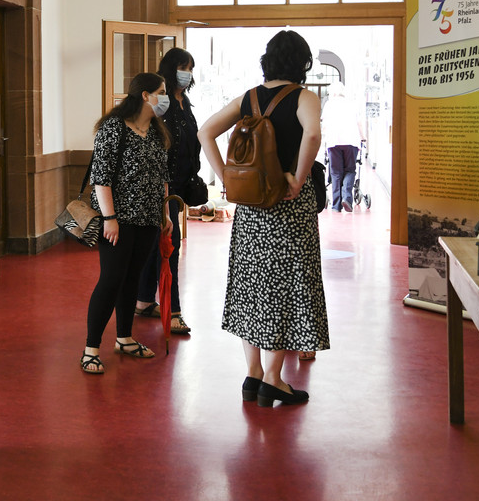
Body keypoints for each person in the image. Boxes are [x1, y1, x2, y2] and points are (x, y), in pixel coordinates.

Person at [197, 29, 330, 406]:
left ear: (267, 60)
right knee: (286, 286)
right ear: (302, 63)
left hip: (252, 210)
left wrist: (225, 178)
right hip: (288, 208)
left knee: (253, 286)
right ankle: (274, 378)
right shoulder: (304, 97)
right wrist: (298, 177)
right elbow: (314, 136)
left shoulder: (248, 98)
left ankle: (253, 374)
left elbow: (205, 131)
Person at [81, 72, 173, 375]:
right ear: (145, 95)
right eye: (161, 91)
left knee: (132, 279)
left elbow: (163, 178)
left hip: (147, 219)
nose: (165, 96)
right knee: (111, 280)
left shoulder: (157, 132)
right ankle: (91, 348)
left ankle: (124, 337)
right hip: (118, 220)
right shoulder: (113, 128)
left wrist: (166, 216)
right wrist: (109, 218)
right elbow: (101, 177)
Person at [134, 49, 200, 335]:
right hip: (164, 184)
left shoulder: (186, 103)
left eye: (190, 68)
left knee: (157, 244)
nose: (187, 73)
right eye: (183, 67)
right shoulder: (163, 105)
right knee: (170, 246)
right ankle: (173, 310)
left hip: (181, 184)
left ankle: (144, 301)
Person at [322, 82, 366, 213]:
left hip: (333, 141)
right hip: (351, 141)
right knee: (350, 170)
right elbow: (359, 123)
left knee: (335, 173)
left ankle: (336, 206)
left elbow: (324, 125)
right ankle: (347, 198)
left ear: (332, 92)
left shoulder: (329, 105)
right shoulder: (352, 103)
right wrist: (363, 137)